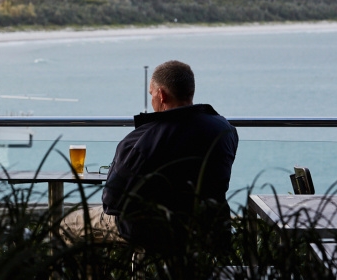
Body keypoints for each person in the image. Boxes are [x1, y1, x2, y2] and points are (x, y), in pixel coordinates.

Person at [61, 60, 238, 255]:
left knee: (66, 225)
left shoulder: (143, 140)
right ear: (190, 91)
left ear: (161, 95)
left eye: (151, 94)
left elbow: (112, 201)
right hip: (208, 229)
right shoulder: (225, 130)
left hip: (155, 233)